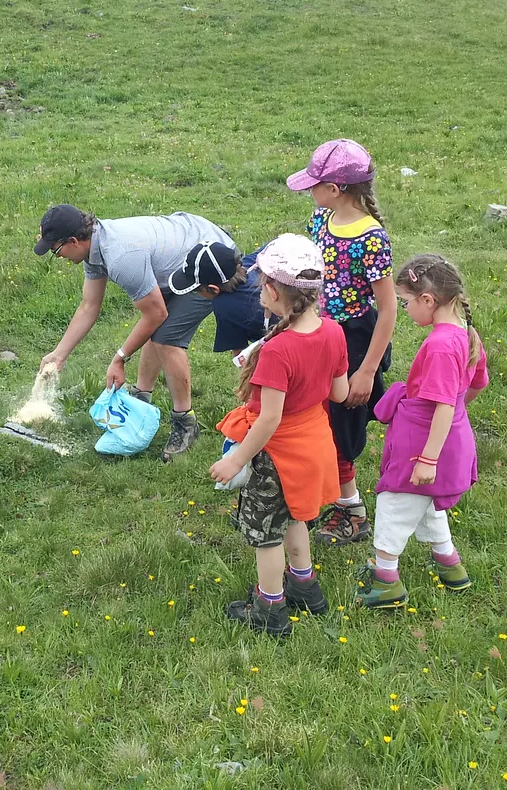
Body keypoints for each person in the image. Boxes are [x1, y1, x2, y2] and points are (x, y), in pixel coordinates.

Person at [209, 234, 350, 637]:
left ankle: (270, 608)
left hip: (278, 456)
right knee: (296, 516)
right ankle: (305, 586)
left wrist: (237, 459)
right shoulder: (333, 331)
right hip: (315, 444)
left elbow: (268, 420)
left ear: (272, 290)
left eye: (260, 286)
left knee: (266, 535)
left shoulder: (278, 350)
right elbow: (339, 393)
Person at [33, 205, 237, 461]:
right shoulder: (95, 248)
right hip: (181, 251)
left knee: (166, 339)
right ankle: (141, 401)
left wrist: (120, 358)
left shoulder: (120, 256)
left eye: (55, 250)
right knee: (157, 330)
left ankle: (185, 422)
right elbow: (89, 306)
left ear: (73, 240)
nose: (57, 255)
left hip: (209, 259)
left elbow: (156, 315)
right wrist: (59, 355)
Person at [356, 255, 489, 608]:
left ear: (427, 300)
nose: (404, 309)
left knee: (395, 504)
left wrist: (427, 457)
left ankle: (386, 582)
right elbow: (475, 386)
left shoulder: (441, 345)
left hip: (423, 442)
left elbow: (443, 404)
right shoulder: (466, 333)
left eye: (405, 302)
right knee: (428, 503)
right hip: (452, 438)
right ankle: (450, 566)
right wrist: (455, 417)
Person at [286, 139, 397, 546]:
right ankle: (314, 499)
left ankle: (352, 513)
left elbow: (387, 310)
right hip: (319, 333)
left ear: (336, 189)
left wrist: (366, 370)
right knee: (313, 416)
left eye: (314, 184)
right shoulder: (320, 219)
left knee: (340, 426)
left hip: (355, 342)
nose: (309, 191)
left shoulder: (370, 239)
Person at [167, 241, 273, 357]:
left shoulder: (224, 306)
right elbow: (278, 243)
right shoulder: (251, 262)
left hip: (281, 347)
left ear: (213, 289)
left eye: (196, 290)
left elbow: (240, 356)